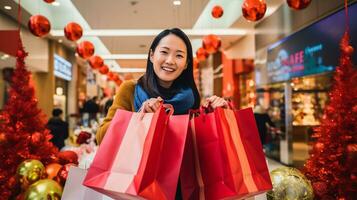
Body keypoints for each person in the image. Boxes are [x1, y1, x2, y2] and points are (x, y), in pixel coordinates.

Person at [96, 28, 228, 199]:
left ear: (187, 63)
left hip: (184, 190)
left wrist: (217, 115)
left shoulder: (192, 98)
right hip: (138, 187)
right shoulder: (130, 90)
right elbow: (101, 137)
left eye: (179, 55)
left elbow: (200, 149)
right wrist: (139, 116)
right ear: (152, 55)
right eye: (164, 52)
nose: (170, 60)